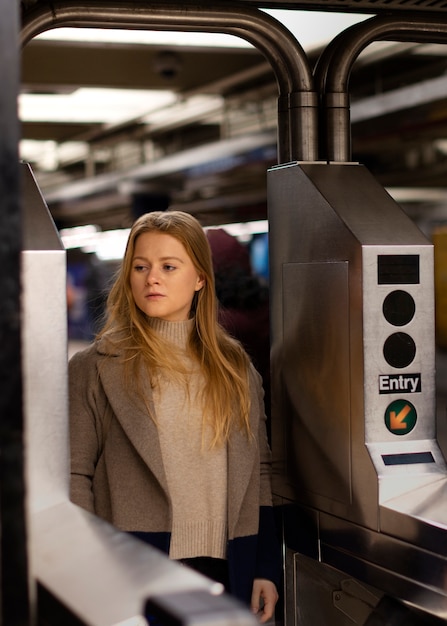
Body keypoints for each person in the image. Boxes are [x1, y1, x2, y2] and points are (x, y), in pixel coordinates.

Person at [69, 210, 280, 622]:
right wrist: (89, 565)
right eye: (140, 267)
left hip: (229, 564)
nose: (152, 278)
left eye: (169, 266)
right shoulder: (94, 367)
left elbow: (261, 473)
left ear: (200, 277)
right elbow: (75, 475)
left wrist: (265, 568)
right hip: (131, 562)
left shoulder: (235, 366)